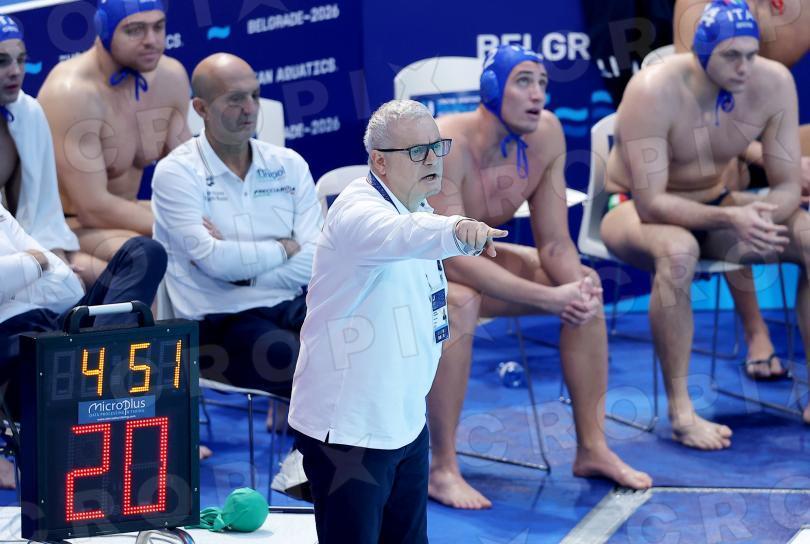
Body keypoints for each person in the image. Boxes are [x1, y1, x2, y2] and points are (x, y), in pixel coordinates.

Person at [426, 45, 652, 510]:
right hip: (413, 269)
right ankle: (442, 467)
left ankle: (592, 449)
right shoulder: (448, 143)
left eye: (543, 84)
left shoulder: (545, 134)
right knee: (460, 301)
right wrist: (548, 298)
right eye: (524, 82)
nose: (537, 95)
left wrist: (572, 290)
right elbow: (450, 258)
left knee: (583, 290)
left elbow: (554, 244)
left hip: (473, 259)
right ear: (492, 89)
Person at [287, 99, 507, 543]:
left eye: (436, 147)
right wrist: (456, 229)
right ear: (379, 162)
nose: (432, 160)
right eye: (416, 151)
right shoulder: (357, 214)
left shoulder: (418, 208)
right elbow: (401, 236)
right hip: (350, 433)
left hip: (404, 422)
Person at [601, 0, 810, 447]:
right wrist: (732, 217)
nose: (744, 67)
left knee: (807, 236)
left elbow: (788, 186)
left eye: (751, 54)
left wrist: (760, 216)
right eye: (731, 56)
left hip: (715, 202)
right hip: (630, 208)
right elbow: (651, 204)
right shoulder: (653, 89)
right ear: (701, 53)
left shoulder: (774, 83)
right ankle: (682, 411)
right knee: (678, 251)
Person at [152, 53, 322, 401]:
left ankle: (307, 440)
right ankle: (300, 438)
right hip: (214, 321)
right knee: (299, 361)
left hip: (287, 303)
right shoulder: (177, 173)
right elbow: (213, 261)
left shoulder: (289, 165)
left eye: (255, 96)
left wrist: (241, 272)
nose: (250, 109)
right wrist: (283, 248)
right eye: (235, 99)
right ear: (201, 108)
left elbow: (316, 260)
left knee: (356, 340)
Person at [673, 0, 810, 380]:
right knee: (723, 170)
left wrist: (787, 160)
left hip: (771, 133)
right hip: (720, 144)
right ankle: (755, 331)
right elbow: (693, 113)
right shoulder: (697, 7)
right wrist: (775, 160)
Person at [38, 0, 190, 283]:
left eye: (159, 27)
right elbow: (92, 207)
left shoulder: (171, 77)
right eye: (135, 30)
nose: (152, 40)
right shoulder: (72, 92)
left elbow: (187, 174)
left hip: (128, 213)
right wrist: (184, 227)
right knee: (153, 257)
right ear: (105, 31)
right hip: (71, 226)